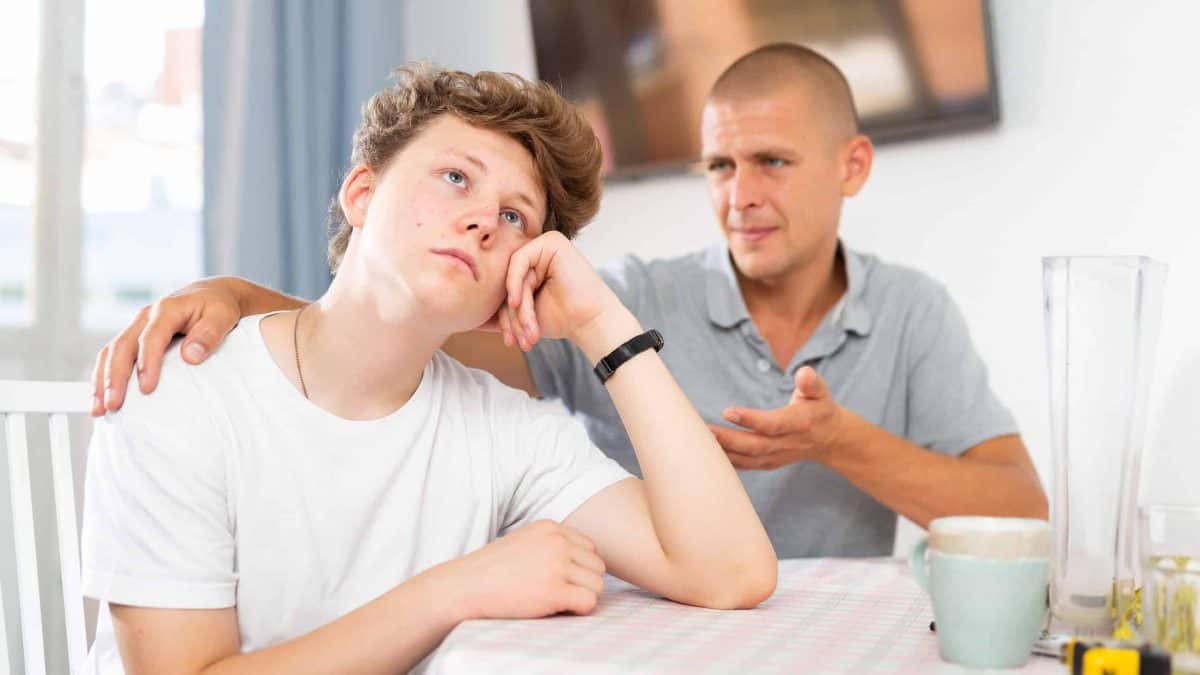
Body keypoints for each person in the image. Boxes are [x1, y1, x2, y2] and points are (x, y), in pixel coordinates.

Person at [93, 44, 1047, 560]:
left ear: (853, 167)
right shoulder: (630, 299)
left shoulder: (914, 312)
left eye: (772, 162)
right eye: (718, 163)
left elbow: (1023, 512)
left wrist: (839, 440)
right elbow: (411, 324)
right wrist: (242, 296)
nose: (737, 193)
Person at [80, 64, 777, 675]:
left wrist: (602, 323)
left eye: (514, 216)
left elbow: (731, 571)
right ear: (362, 195)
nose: (482, 221)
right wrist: (457, 590)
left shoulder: (504, 429)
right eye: (454, 178)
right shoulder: (181, 386)